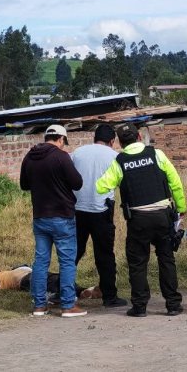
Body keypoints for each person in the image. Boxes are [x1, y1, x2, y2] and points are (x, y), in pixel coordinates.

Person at [95, 123, 186, 318]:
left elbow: (101, 187)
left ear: (119, 142)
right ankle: (172, 305)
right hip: (163, 215)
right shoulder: (157, 154)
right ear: (138, 137)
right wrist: (182, 208)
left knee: (137, 263)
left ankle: (140, 306)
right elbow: (175, 182)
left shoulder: (120, 161)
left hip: (138, 219)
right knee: (166, 259)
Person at [19, 124, 86, 318]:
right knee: (66, 262)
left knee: (40, 261)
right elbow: (77, 183)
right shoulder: (61, 156)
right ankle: (67, 305)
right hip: (62, 216)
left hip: (40, 217)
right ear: (61, 139)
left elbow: (24, 185)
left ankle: (39, 305)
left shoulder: (29, 157)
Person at [71, 124, 127, 308]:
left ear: (94, 138)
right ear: (112, 141)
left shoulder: (77, 152)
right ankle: (109, 296)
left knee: (73, 253)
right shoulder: (115, 156)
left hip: (77, 210)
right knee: (104, 254)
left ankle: (64, 291)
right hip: (102, 211)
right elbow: (122, 183)